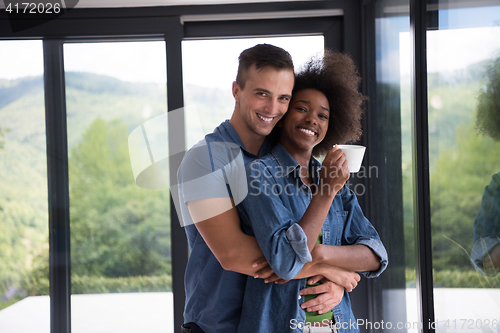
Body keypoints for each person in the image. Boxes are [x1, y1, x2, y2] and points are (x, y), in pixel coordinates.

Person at [177, 44, 378, 333]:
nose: (272, 109)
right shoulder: (205, 160)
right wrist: (327, 269)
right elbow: (234, 254)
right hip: (219, 325)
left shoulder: (289, 162)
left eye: (283, 98)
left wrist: (334, 280)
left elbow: (321, 239)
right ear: (236, 90)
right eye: (262, 94)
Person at [235, 51, 388, 333]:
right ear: (282, 116)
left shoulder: (331, 179)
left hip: (337, 326)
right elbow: (286, 261)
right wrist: (326, 191)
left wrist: (320, 257)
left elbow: (375, 255)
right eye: (301, 108)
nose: (312, 120)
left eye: (323, 115)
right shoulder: (259, 174)